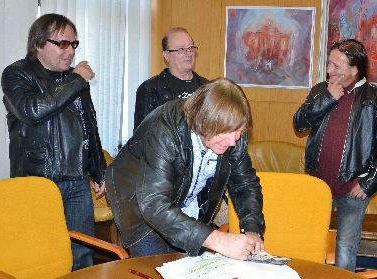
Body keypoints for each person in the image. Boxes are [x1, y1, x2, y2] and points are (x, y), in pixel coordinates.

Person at [106, 78, 265, 259]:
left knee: (190, 263)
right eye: (225, 133)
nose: (232, 142)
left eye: (239, 132)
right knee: (156, 267)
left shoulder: (233, 132)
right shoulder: (164, 130)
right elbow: (154, 205)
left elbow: (245, 185)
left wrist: (252, 229)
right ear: (204, 122)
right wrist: (217, 239)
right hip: (138, 199)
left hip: (179, 197)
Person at [1, 13, 106, 270]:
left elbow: (88, 125)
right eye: (63, 44)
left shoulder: (74, 79)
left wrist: (99, 169)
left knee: (82, 254)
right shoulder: (17, 74)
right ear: (39, 44)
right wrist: (76, 80)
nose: (70, 51)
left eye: (73, 44)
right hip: (39, 182)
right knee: (42, 257)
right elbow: (33, 110)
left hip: (78, 180)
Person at [293, 39, 377, 271]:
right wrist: (327, 98)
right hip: (318, 186)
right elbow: (299, 124)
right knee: (309, 244)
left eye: (336, 66)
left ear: (354, 69)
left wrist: (368, 183)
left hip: (352, 189)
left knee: (345, 247)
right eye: (328, 63)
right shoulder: (320, 91)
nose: (329, 70)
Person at [133, 27, 208, 130]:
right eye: (181, 49)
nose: (189, 53)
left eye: (191, 47)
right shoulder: (150, 89)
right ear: (166, 55)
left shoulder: (207, 87)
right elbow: (143, 135)